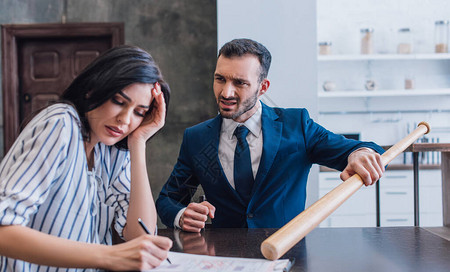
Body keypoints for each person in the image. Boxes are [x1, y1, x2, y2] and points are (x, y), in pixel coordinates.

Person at [156, 38, 385, 232]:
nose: (226, 92)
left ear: (263, 87)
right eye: (220, 79)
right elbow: (168, 200)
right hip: (223, 264)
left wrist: (360, 152)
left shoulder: (297, 126)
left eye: (240, 83)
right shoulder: (196, 138)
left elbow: (356, 149)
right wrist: (181, 215)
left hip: (289, 261)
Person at [0, 45, 173, 272]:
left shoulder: (112, 149)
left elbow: (138, 232)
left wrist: (138, 143)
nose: (125, 120)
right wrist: (110, 256)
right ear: (94, 89)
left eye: (139, 112)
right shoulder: (60, 124)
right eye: (118, 101)